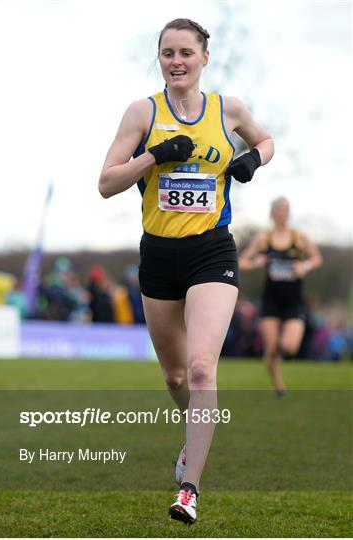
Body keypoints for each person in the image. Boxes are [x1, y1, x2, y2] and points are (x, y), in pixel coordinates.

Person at [98, 18, 274, 525]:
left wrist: (251, 162)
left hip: (211, 252)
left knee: (201, 368)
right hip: (159, 255)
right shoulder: (142, 112)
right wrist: (154, 155)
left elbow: (266, 141)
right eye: (167, 53)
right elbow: (106, 182)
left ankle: (189, 489)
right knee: (176, 375)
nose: (177, 61)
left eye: (186, 53)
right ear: (160, 59)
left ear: (204, 58)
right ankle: (191, 431)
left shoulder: (228, 109)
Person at [239, 197, 322, 395]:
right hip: (271, 299)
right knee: (273, 348)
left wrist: (305, 265)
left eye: (287, 209)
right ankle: (278, 386)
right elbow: (241, 261)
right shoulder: (264, 238)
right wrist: (255, 263)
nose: (285, 213)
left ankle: (278, 362)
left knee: (289, 347)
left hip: (294, 299)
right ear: (273, 213)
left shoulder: (299, 237)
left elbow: (317, 258)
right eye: (281, 209)